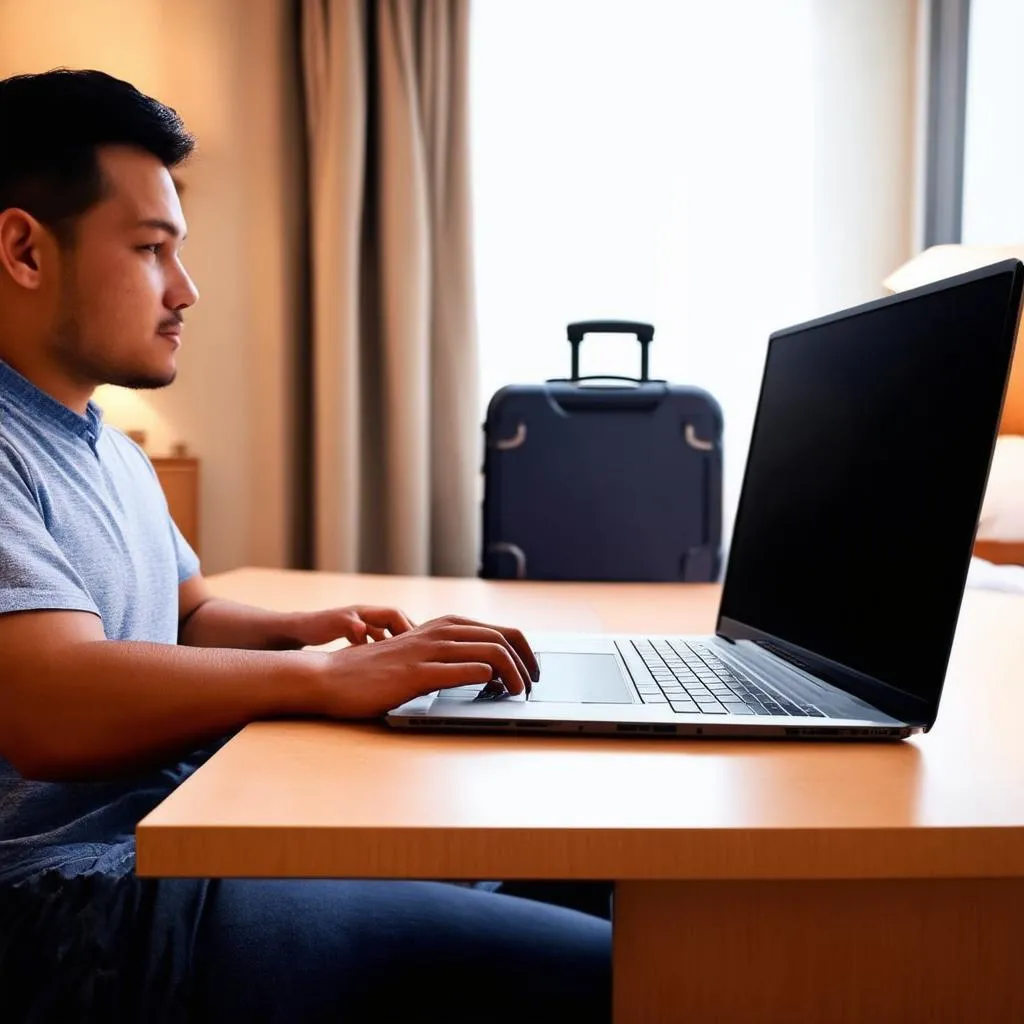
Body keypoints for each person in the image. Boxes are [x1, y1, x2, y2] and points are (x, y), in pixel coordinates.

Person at [0, 69, 610, 1023]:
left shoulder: (107, 448)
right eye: (152, 250)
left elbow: (186, 613)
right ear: (24, 250)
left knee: (595, 880)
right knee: (621, 971)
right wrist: (321, 681)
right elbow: (51, 709)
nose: (186, 290)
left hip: (183, 835)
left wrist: (305, 633)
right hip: (74, 908)